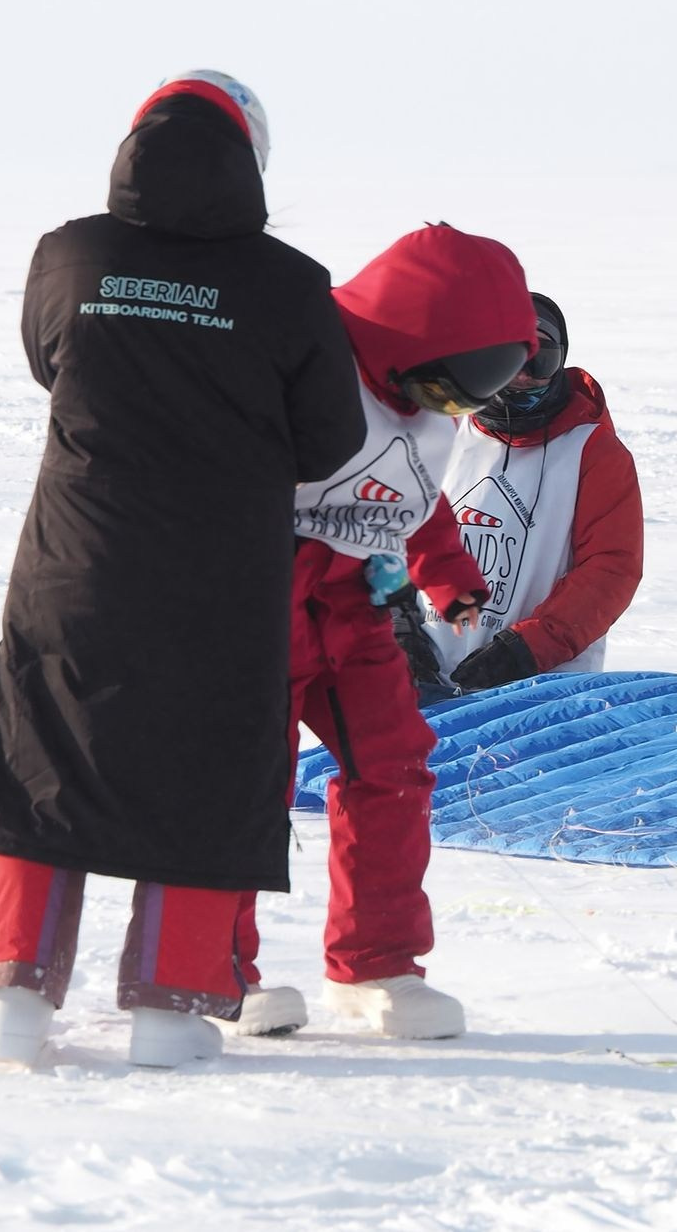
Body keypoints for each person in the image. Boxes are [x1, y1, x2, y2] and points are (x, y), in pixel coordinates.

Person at [0, 70, 364, 1070]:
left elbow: (51, 362)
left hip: (75, 564)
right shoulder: (289, 285)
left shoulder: (70, 255)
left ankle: (12, 1002)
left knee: (42, 760)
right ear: (252, 159)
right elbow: (330, 439)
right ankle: (172, 1014)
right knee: (205, 773)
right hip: (218, 581)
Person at [231, 223, 535, 1041]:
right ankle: (216, 964)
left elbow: (412, 493)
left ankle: (377, 965)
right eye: (448, 392)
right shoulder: (305, 364)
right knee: (241, 781)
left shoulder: (423, 415)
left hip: (357, 610)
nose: (453, 413)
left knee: (395, 762)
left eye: (469, 401)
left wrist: (453, 580)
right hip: (260, 600)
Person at [394, 293, 644, 699]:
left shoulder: (593, 451)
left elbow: (610, 570)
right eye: (508, 359)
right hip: (424, 676)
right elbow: (385, 539)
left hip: (539, 687)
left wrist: (526, 650)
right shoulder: (439, 430)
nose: (522, 376)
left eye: (540, 361)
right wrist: (398, 629)